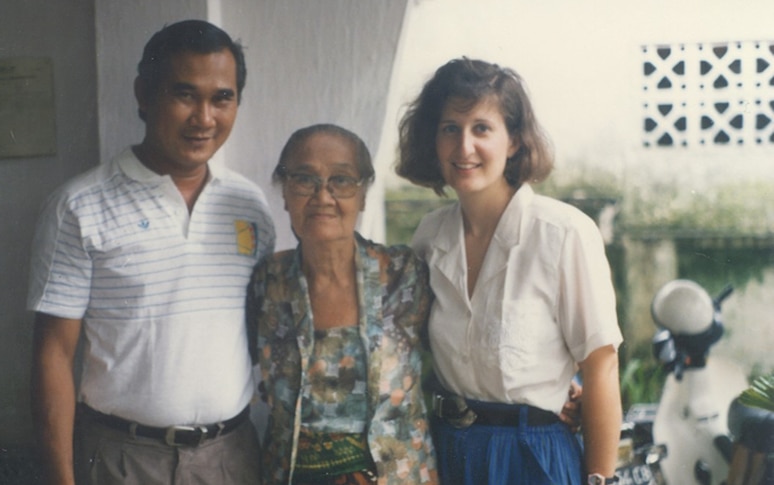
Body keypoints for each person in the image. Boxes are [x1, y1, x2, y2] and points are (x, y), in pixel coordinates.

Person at [28, 20, 275, 485]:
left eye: (222, 97)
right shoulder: (79, 206)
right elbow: (52, 356)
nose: (204, 118)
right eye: (185, 95)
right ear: (144, 95)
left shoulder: (250, 205)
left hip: (232, 458)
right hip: (123, 460)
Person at [396, 58, 624, 485]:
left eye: (481, 128)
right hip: (450, 454)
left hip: (532, 456)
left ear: (514, 141)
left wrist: (601, 479)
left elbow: (601, 365)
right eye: (450, 128)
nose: (464, 147)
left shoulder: (562, 233)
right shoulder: (429, 237)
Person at [247, 124, 438, 485]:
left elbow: (463, 350)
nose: (323, 196)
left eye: (342, 180)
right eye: (304, 179)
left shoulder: (403, 276)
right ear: (284, 192)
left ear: (364, 194)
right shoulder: (267, 281)